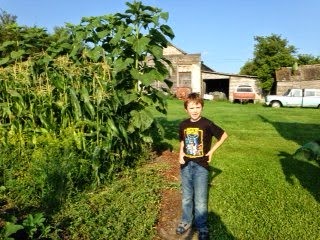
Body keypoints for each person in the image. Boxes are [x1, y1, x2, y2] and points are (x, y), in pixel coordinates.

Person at [176, 92, 228, 240]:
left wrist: (211, 152)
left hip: (201, 167)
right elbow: (182, 141)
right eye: (191, 107)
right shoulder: (183, 124)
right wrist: (180, 154)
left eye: (198, 107)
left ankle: (201, 226)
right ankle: (186, 221)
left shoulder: (207, 123)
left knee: (200, 199)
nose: (195, 110)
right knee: (186, 197)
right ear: (186, 109)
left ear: (202, 107)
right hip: (185, 165)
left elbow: (223, 135)